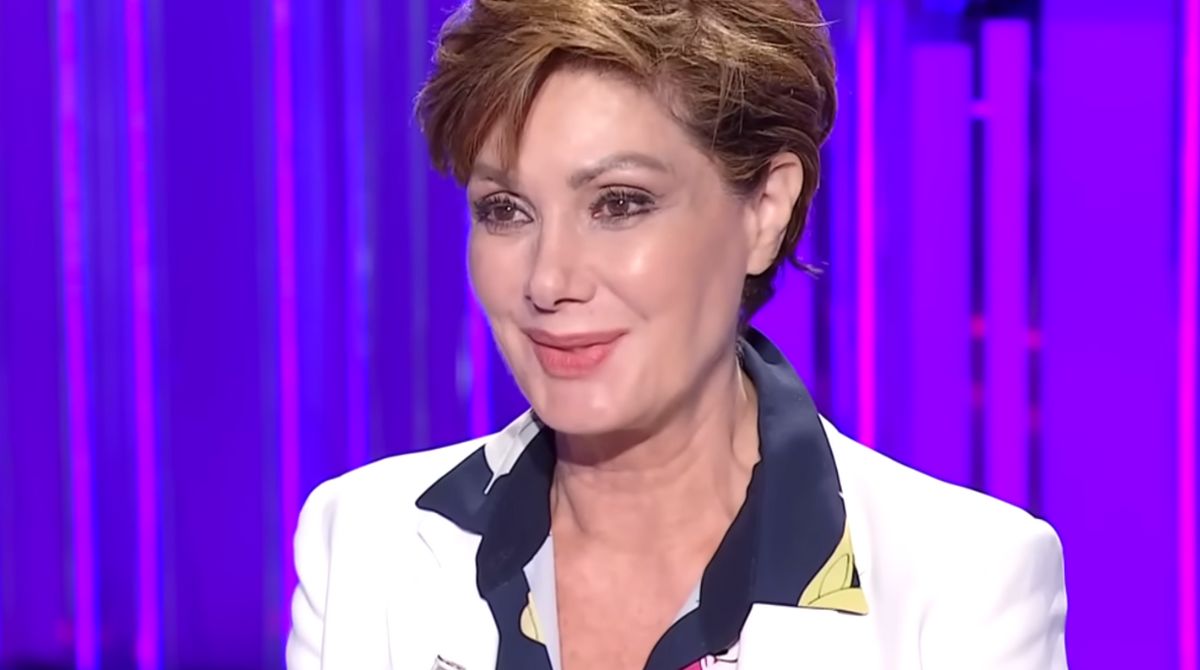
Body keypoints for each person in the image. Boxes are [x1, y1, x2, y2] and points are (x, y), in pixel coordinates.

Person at [286, 0, 1068, 668]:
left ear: (765, 210)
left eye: (619, 203)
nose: (548, 280)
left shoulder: (961, 583)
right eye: (505, 210)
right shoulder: (364, 542)